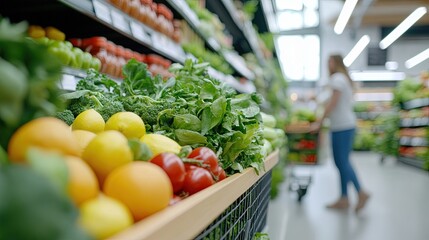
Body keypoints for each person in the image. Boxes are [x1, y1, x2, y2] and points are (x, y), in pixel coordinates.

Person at [310, 54, 369, 213]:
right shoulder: (343, 79)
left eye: (329, 61)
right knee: (342, 162)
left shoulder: (337, 78)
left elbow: (332, 103)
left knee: (342, 162)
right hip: (344, 125)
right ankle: (344, 198)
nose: (327, 64)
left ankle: (360, 192)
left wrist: (320, 122)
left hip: (341, 126)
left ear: (336, 62)